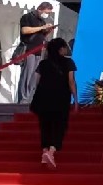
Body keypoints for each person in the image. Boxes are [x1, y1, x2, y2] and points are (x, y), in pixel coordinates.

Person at [30, 38, 76, 170]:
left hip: (43, 98)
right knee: (59, 125)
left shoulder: (43, 63)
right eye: (65, 47)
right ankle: (51, 151)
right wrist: (76, 99)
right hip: (60, 99)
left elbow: (36, 81)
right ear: (61, 49)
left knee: (45, 125)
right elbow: (71, 81)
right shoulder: (68, 62)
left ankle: (45, 151)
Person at [14, 2, 58, 104]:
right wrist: (42, 28)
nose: (47, 15)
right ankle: (23, 100)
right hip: (29, 50)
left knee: (34, 77)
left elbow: (41, 35)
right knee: (27, 76)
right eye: (47, 12)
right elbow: (25, 30)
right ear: (40, 9)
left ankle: (30, 99)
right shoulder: (27, 17)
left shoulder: (41, 20)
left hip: (38, 51)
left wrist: (48, 30)